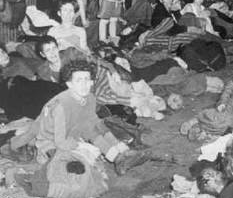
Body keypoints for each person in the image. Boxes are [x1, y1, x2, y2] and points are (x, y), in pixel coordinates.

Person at [22, 59, 150, 175]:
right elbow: (61, 142)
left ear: (91, 82)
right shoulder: (61, 106)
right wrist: (83, 146)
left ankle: (123, 153)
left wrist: (117, 145)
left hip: (73, 129)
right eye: (78, 80)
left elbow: (95, 122)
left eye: (87, 79)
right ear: (69, 84)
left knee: (94, 125)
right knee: (84, 162)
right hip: (52, 140)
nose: (84, 84)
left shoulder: (90, 97)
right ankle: (117, 159)